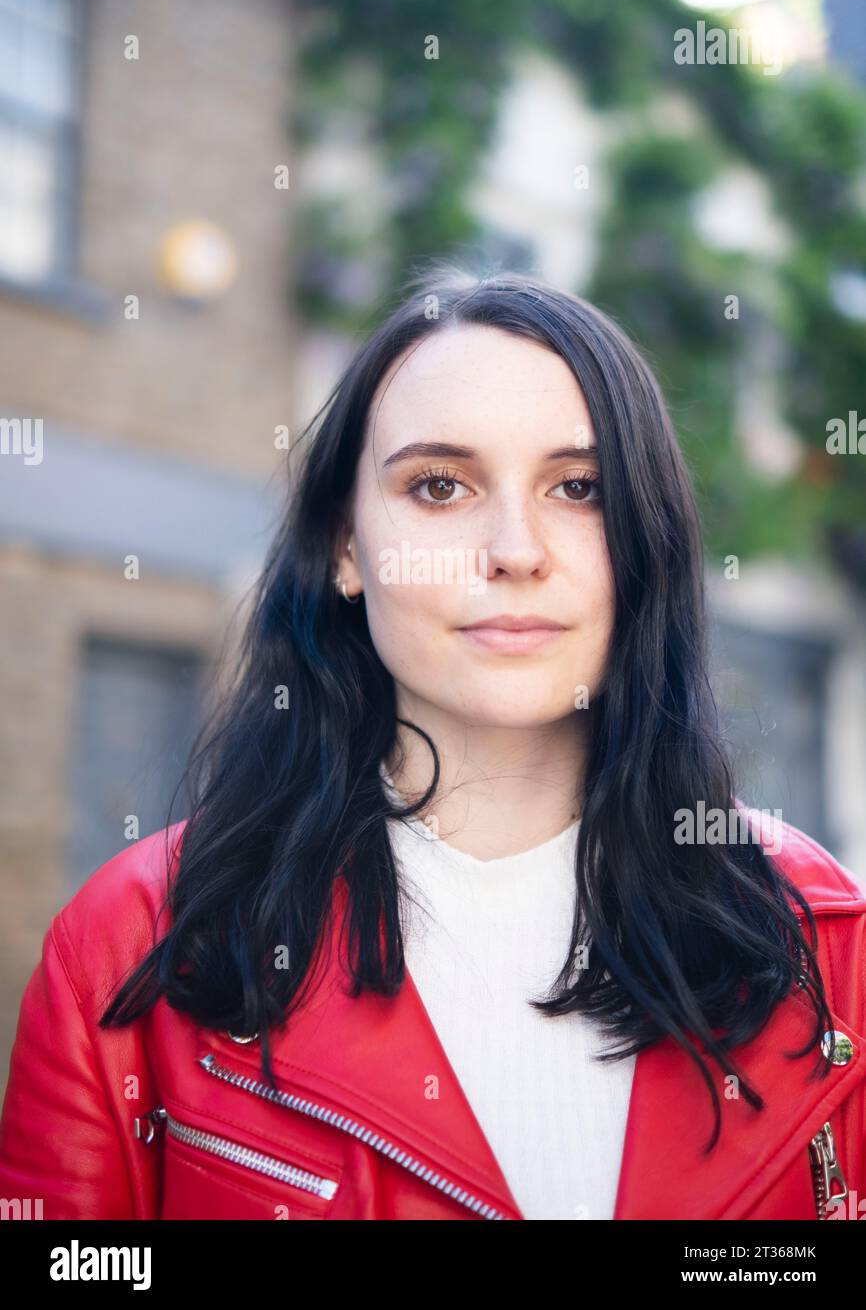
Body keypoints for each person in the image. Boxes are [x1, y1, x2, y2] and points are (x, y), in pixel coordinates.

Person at [1, 268, 864, 1221]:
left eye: (579, 487)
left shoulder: (829, 942)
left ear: (644, 537)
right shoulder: (127, 941)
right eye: (440, 486)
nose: (515, 549)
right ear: (345, 547)